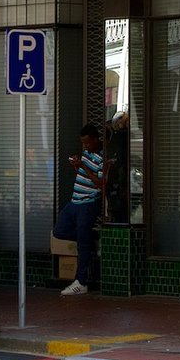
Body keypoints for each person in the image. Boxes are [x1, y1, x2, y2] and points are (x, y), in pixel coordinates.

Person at [57, 123, 106, 296]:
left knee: (82, 245)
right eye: (83, 143)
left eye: (87, 142)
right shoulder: (86, 153)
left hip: (88, 203)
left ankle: (81, 282)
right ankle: (91, 238)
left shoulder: (102, 158)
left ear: (96, 139)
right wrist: (77, 165)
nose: (85, 146)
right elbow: (84, 174)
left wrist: (83, 166)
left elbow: (100, 183)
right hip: (74, 201)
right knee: (59, 230)